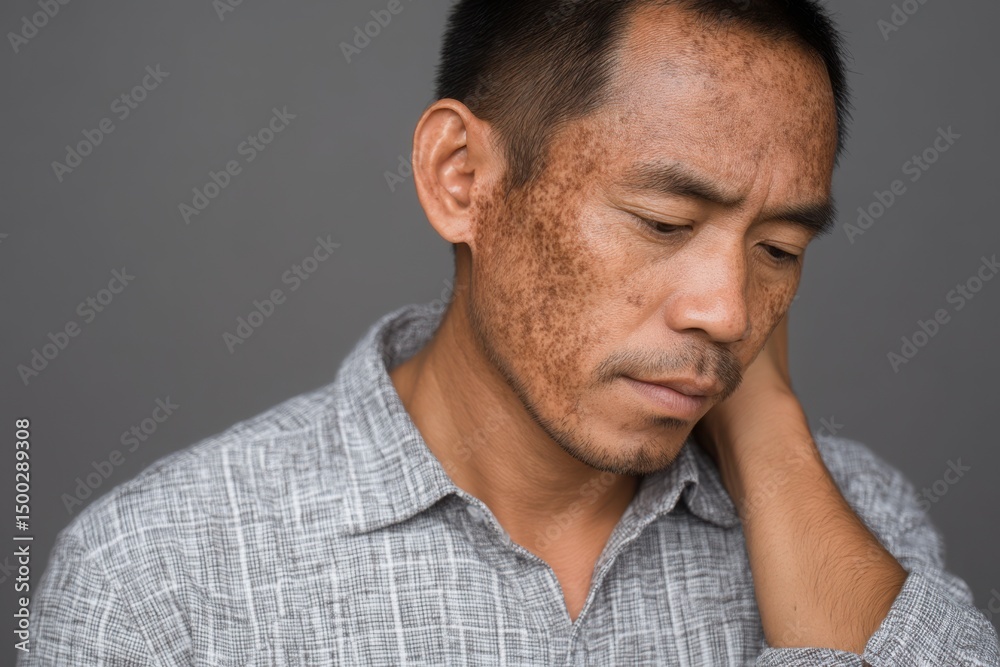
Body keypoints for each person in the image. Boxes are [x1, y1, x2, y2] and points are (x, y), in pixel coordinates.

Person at [22, 1, 1000, 665]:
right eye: (663, 222)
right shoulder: (159, 574)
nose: (729, 311)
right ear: (462, 178)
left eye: (778, 247)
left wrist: (766, 426)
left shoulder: (856, 517)